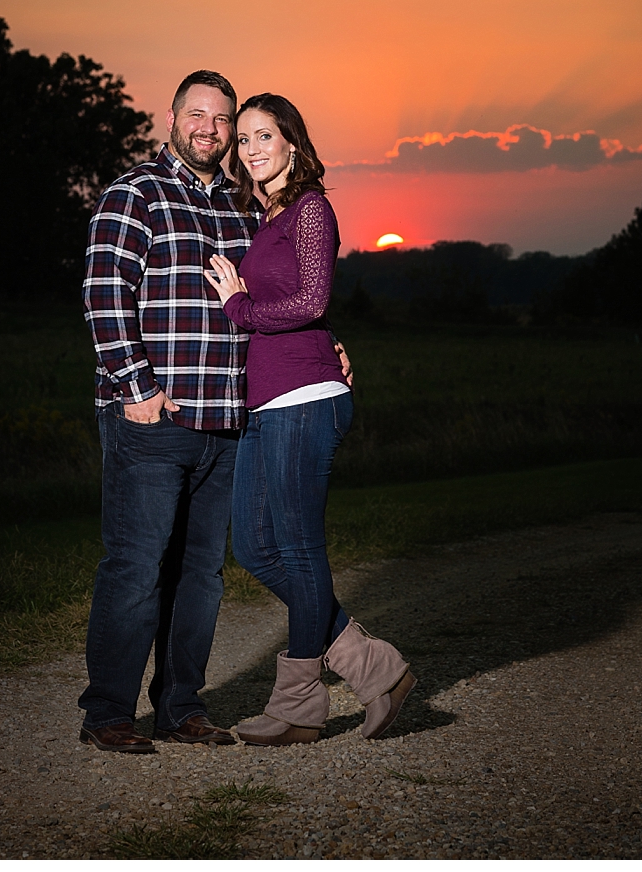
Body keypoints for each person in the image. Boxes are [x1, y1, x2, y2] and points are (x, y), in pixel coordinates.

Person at [77, 71, 349, 753]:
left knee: (202, 575)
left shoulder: (244, 207)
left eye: (223, 119)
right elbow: (104, 293)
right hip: (153, 419)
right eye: (197, 115)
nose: (211, 129)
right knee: (137, 568)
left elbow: (279, 294)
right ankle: (109, 712)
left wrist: (329, 346)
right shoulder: (135, 192)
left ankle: (180, 708)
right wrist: (136, 387)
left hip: (229, 421)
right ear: (170, 117)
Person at [205, 93, 415, 746]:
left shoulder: (310, 210)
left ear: (293, 142)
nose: (251, 148)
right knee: (256, 548)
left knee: (296, 549)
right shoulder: (264, 219)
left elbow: (312, 299)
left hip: (305, 399)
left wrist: (238, 305)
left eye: (264, 135)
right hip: (265, 403)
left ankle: (299, 704)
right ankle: (370, 663)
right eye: (242, 140)